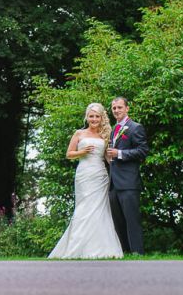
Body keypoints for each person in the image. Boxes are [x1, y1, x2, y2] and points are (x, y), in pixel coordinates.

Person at [49, 102, 124, 259]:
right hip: (84, 175)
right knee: (84, 208)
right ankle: (76, 247)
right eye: (91, 116)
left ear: (101, 118)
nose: (94, 119)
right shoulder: (79, 133)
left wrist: (116, 161)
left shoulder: (105, 135)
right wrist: (82, 151)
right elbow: (69, 154)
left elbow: (106, 158)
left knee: (100, 209)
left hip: (100, 175)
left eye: (97, 116)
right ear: (87, 117)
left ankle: (101, 249)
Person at [106, 96, 149, 255]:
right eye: (114, 108)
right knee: (118, 221)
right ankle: (123, 252)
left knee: (132, 220)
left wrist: (120, 153)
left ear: (127, 108)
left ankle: (137, 253)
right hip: (114, 184)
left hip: (129, 183)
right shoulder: (113, 130)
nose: (116, 110)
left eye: (119, 107)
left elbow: (143, 151)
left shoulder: (135, 127)